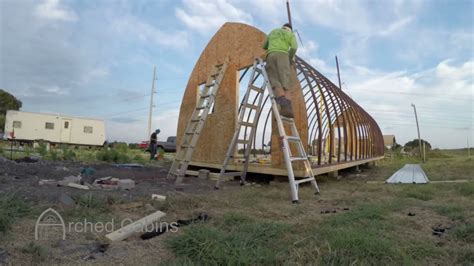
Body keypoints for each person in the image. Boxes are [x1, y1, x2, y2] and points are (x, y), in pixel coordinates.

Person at [263, 23, 298, 118]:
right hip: (284, 56)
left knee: (275, 81)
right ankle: (288, 108)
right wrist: (289, 59)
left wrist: (273, 45)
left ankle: (284, 106)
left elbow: (264, 46)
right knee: (285, 83)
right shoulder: (290, 34)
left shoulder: (273, 31)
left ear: (283, 27)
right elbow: (294, 47)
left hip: (271, 55)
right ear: (290, 29)